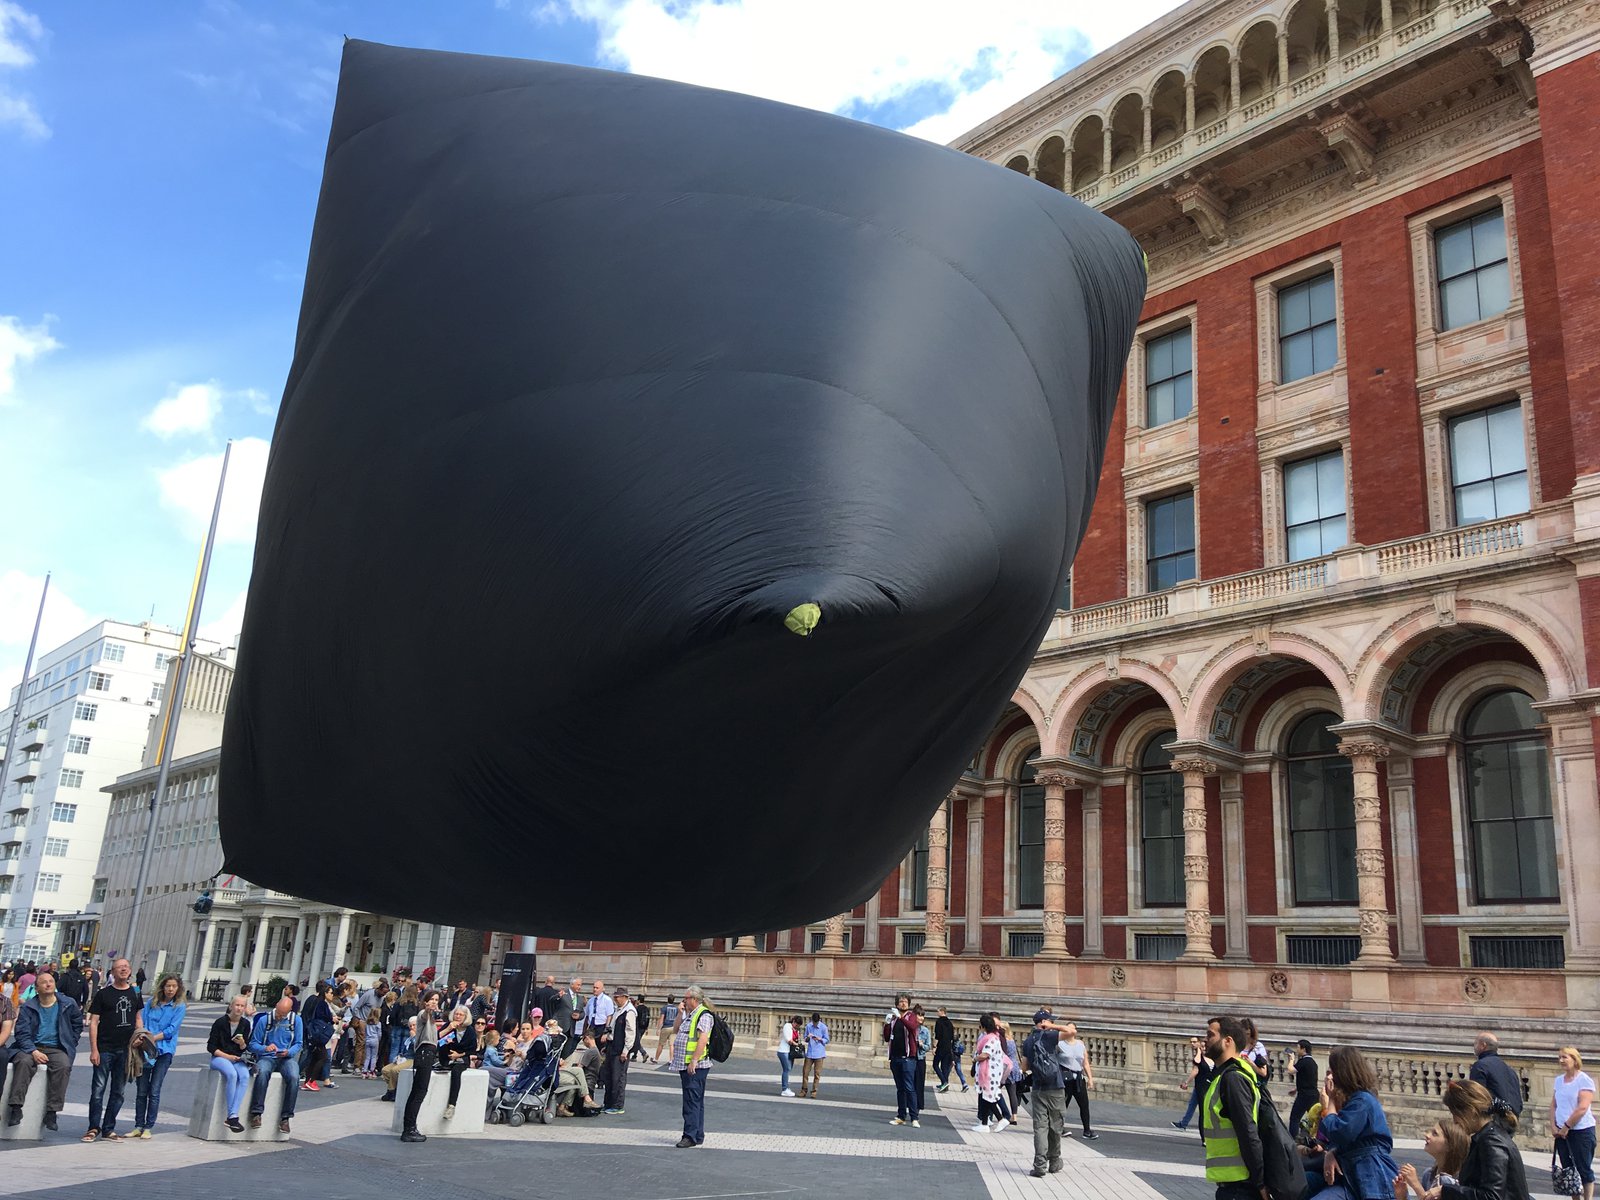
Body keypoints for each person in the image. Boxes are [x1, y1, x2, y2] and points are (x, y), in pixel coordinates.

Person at [1315, 1045, 1400, 1199]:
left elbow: (1339, 1132)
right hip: (1351, 1173)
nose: (1329, 1075)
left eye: (1332, 1070)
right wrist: (1331, 1153)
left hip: (1371, 1171)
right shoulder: (1355, 1100)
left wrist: (1330, 1103)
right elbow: (1337, 1139)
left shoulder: (1363, 1100)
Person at [5, 969, 81, 1133]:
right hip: (31, 1046)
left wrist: (71, 1041)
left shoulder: (67, 1004)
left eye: (51, 981)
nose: (48, 984)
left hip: (56, 1047)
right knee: (23, 1062)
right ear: (37, 988)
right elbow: (21, 1033)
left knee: (63, 1065)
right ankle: (16, 1107)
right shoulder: (28, 1007)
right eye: (44, 982)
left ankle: (52, 1112)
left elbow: (77, 1023)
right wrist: (33, 1051)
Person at [1201, 1014, 1266, 1200]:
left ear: (1227, 1041)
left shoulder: (1233, 1079)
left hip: (1241, 1186)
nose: (1205, 1040)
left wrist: (1260, 1182)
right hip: (1233, 1184)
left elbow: (1248, 1131)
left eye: (1210, 1035)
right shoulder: (1224, 1077)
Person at [84, 956, 144, 1142]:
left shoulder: (135, 993)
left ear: (130, 970)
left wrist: (139, 1036)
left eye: (126, 967)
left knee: (118, 1091)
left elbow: (138, 1018)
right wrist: (94, 1049)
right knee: (98, 1090)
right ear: (113, 972)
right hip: (105, 1048)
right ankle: (93, 1127)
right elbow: (94, 1022)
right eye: (119, 967)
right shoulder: (104, 994)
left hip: (126, 1051)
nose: (123, 970)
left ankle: (109, 1128)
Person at [1441, 1078, 1530, 1200]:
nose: (1454, 1120)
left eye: (1455, 1114)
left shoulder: (1491, 1142)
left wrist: (1447, 1191)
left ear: (1471, 1111)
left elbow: (1491, 1196)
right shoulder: (1488, 1137)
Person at [132, 972, 186, 1138]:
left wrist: (153, 1038)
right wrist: (143, 1037)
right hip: (145, 1049)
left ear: (178, 988)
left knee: (154, 1090)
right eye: (168, 985)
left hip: (164, 1050)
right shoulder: (151, 1003)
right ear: (163, 986)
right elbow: (143, 1020)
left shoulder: (179, 1006)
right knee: (141, 1090)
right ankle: (138, 1125)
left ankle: (148, 1126)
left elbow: (171, 1029)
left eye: (174, 986)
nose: (170, 989)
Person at [1022, 1009, 1068, 1177]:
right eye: (1049, 1021)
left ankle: (1040, 1165)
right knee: (1056, 1126)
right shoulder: (1049, 1036)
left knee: (1040, 1128)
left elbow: (1024, 1067)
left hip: (1038, 1088)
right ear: (1044, 1022)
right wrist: (1053, 1027)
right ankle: (1054, 1161)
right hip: (1055, 1086)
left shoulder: (1027, 1041)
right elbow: (1072, 1032)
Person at [248, 993, 301, 1134]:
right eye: (278, 1013)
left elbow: (298, 1044)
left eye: (283, 1015)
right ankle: (256, 1112)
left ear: (289, 1012)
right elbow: (252, 1044)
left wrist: (288, 1052)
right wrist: (265, 1048)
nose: (279, 1017)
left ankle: (286, 1117)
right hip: (267, 1056)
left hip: (285, 1057)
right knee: (262, 1072)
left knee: (294, 1077)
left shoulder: (296, 1021)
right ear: (276, 1006)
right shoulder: (264, 1020)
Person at [672, 984, 715, 1148]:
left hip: (696, 1065)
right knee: (696, 1100)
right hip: (688, 1064)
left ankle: (689, 1135)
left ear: (695, 999)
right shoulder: (690, 1015)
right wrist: (680, 1012)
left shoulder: (703, 1015)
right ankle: (697, 1134)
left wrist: (694, 1061)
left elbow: (703, 1039)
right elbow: (675, 1029)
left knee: (691, 1101)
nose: (684, 1000)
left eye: (686, 998)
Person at [1553, 1046, 1596, 1200]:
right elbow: (1554, 1104)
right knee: (1568, 1169)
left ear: (1574, 1059)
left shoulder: (1584, 1080)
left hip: (1581, 1130)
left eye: (1565, 1057)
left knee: (1583, 1169)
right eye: (1560, 1057)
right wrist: (1553, 1125)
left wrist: (1567, 1126)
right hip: (1561, 1131)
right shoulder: (1558, 1080)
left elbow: (1582, 1107)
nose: (1561, 1060)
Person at [400, 989, 443, 1143]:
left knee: (418, 1092)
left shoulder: (431, 1018)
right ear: (425, 1001)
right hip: (425, 1053)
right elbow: (423, 1016)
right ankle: (409, 1128)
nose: (434, 1002)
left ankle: (410, 1127)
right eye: (431, 999)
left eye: (437, 1000)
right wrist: (428, 1010)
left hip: (428, 1053)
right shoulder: (423, 1015)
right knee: (419, 1092)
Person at [206, 993, 253, 1133]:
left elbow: (246, 1048)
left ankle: (233, 1114)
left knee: (244, 1076)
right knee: (232, 1075)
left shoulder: (245, 1024)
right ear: (231, 1006)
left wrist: (242, 1043)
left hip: (237, 1058)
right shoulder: (220, 1022)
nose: (239, 1008)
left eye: (242, 1006)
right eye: (237, 1005)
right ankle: (232, 1116)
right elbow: (211, 1047)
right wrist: (227, 1056)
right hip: (220, 1057)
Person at [1394, 1118, 1469, 1198]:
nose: (1427, 1135)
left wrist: (1416, 1185)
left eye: (1435, 1134)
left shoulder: (1460, 1180)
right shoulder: (1429, 1175)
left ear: (1450, 1145)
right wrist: (1402, 1197)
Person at [434, 1004, 477, 1120]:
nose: (458, 1016)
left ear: (465, 1017)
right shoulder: (448, 1026)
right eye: (456, 1014)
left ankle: (452, 1105)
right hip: (446, 1058)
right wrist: (449, 1029)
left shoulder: (470, 1031)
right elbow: (437, 1040)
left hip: (461, 1059)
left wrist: (459, 1055)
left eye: (461, 1015)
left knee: (456, 1072)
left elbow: (472, 1050)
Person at [1057, 1022, 1099, 1140]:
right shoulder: (1060, 1044)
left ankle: (1087, 1129)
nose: (1070, 1031)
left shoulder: (1080, 1044)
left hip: (1078, 1077)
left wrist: (1090, 1078)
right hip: (1066, 1077)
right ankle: (1059, 1127)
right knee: (1063, 1104)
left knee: (1084, 1104)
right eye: (1068, 1029)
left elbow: (1085, 1062)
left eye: (1072, 1029)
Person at [886, 993, 921, 1128]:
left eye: (905, 1001)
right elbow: (887, 1037)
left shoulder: (911, 1016)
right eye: (901, 1001)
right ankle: (901, 1115)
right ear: (897, 1004)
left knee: (909, 1088)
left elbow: (912, 1027)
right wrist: (887, 1024)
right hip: (895, 1057)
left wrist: (901, 1017)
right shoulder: (895, 1018)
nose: (903, 1003)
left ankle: (914, 1117)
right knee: (900, 1089)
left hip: (907, 1059)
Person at [1468, 1032, 1523, 1115]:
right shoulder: (1509, 1069)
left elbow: (1478, 1098)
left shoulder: (1480, 1066)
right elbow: (1518, 1103)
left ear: (1483, 1045)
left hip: (1493, 1121)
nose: (1474, 1046)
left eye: (1476, 1043)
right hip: (1512, 1120)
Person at [600, 987, 636, 1114]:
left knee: (618, 1077)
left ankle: (617, 1105)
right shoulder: (618, 1010)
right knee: (608, 1076)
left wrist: (625, 1051)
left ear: (625, 997)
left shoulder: (629, 1011)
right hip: (612, 1045)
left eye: (617, 997)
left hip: (620, 1048)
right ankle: (608, 1102)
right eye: (615, 997)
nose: (615, 999)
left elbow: (630, 1033)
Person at [299, 981, 337, 1093]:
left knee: (313, 1057)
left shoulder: (313, 1000)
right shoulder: (321, 1003)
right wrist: (331, 1019)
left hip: (311, 1031)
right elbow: (321, 1017)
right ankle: (310, 1080)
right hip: (317, 1033)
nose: (332, 995)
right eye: (330, 993)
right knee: (321, 1057)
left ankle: (307, 1080)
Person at [1174, 1036, 1212, 1133]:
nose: (1192, 1044)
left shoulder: (1202, 1054)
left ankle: (1185, 1123)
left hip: (1204, 1085)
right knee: (1192, 1104)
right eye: (1191, 1042)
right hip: (1199, 1085)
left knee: (1202, 1108)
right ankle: (1184, 1123)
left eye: (1195, 1042)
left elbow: (1196, 1069)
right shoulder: (1200, 1053)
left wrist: (1186, 1082)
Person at [1289, 1039, 1320, 1137]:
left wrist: (1291, 1059)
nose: (1297, 1050)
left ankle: (1292, 1139)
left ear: (1304, 1049)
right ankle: (1316, 1137)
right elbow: (1308, 1079)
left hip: (1304, 1096)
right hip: (1313, 1094)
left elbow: (1291, 1070)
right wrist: (1296, 1088)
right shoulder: (1313, 1062)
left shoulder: (1304, 1061)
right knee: (1314, 1118)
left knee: (1294, 1118)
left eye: (1298, 1048)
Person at [801, 1011, 829, 1099]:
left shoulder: (824, 1027)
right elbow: (805, 1039)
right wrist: (808, 1038)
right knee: (805, 1072)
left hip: (819, 1053)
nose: (815, 1024)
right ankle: (804, 1090)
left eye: (816, 1022)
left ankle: (814, 1091)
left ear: (819, 1020)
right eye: (813, 1022)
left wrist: (820, 1039)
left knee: (817, 1074)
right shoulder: (809, 1026)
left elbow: (827, 1040)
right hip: (810, 1053)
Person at [934, 1007, 958, 1092]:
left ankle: (944, 1082)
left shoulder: (939, 1022)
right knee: (944, 1067)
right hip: (948, 1047)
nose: (937, 1013)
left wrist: (934, 1047)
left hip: (941, 1046)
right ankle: (945, 1085)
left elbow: (937, 1035)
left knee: (935, 1064)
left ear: (942, 1012)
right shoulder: (949, 1023)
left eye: (938, 1011)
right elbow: (952, 1037)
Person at [913, 1003, 931, 1112]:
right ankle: (909, 1105)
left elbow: (928, 1046)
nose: (921, 1018)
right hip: (910, 1058)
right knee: (909, 1084)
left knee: (919, 1084)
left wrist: (921, 1045)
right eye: (919, 1015)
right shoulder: (910, 1028)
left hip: (920, 1059)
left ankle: (917, 1107)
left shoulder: (925, 1030)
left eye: (922, 1015)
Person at [654, 994, 679, 1065]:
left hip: (666, 1027)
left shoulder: (664, 1008)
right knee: (671, 1045)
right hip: (673, 1027)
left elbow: (661, 1018)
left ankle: (656, 1059)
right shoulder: (676, 1008)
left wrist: (658, 1028)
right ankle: (671, 1060)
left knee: (661, 1044)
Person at [776, 1013, 797, 1096]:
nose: (797, 1026)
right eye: (797, 1024)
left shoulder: (794, 1029)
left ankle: (786, 1087)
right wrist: (796, 1044)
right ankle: (784, 1089)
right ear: (794, 1022)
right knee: (786, 1069)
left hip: (789, 1051)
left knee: (788, 1069)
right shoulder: (787, 1026)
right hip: (783, 1051)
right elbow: (788, 1040)